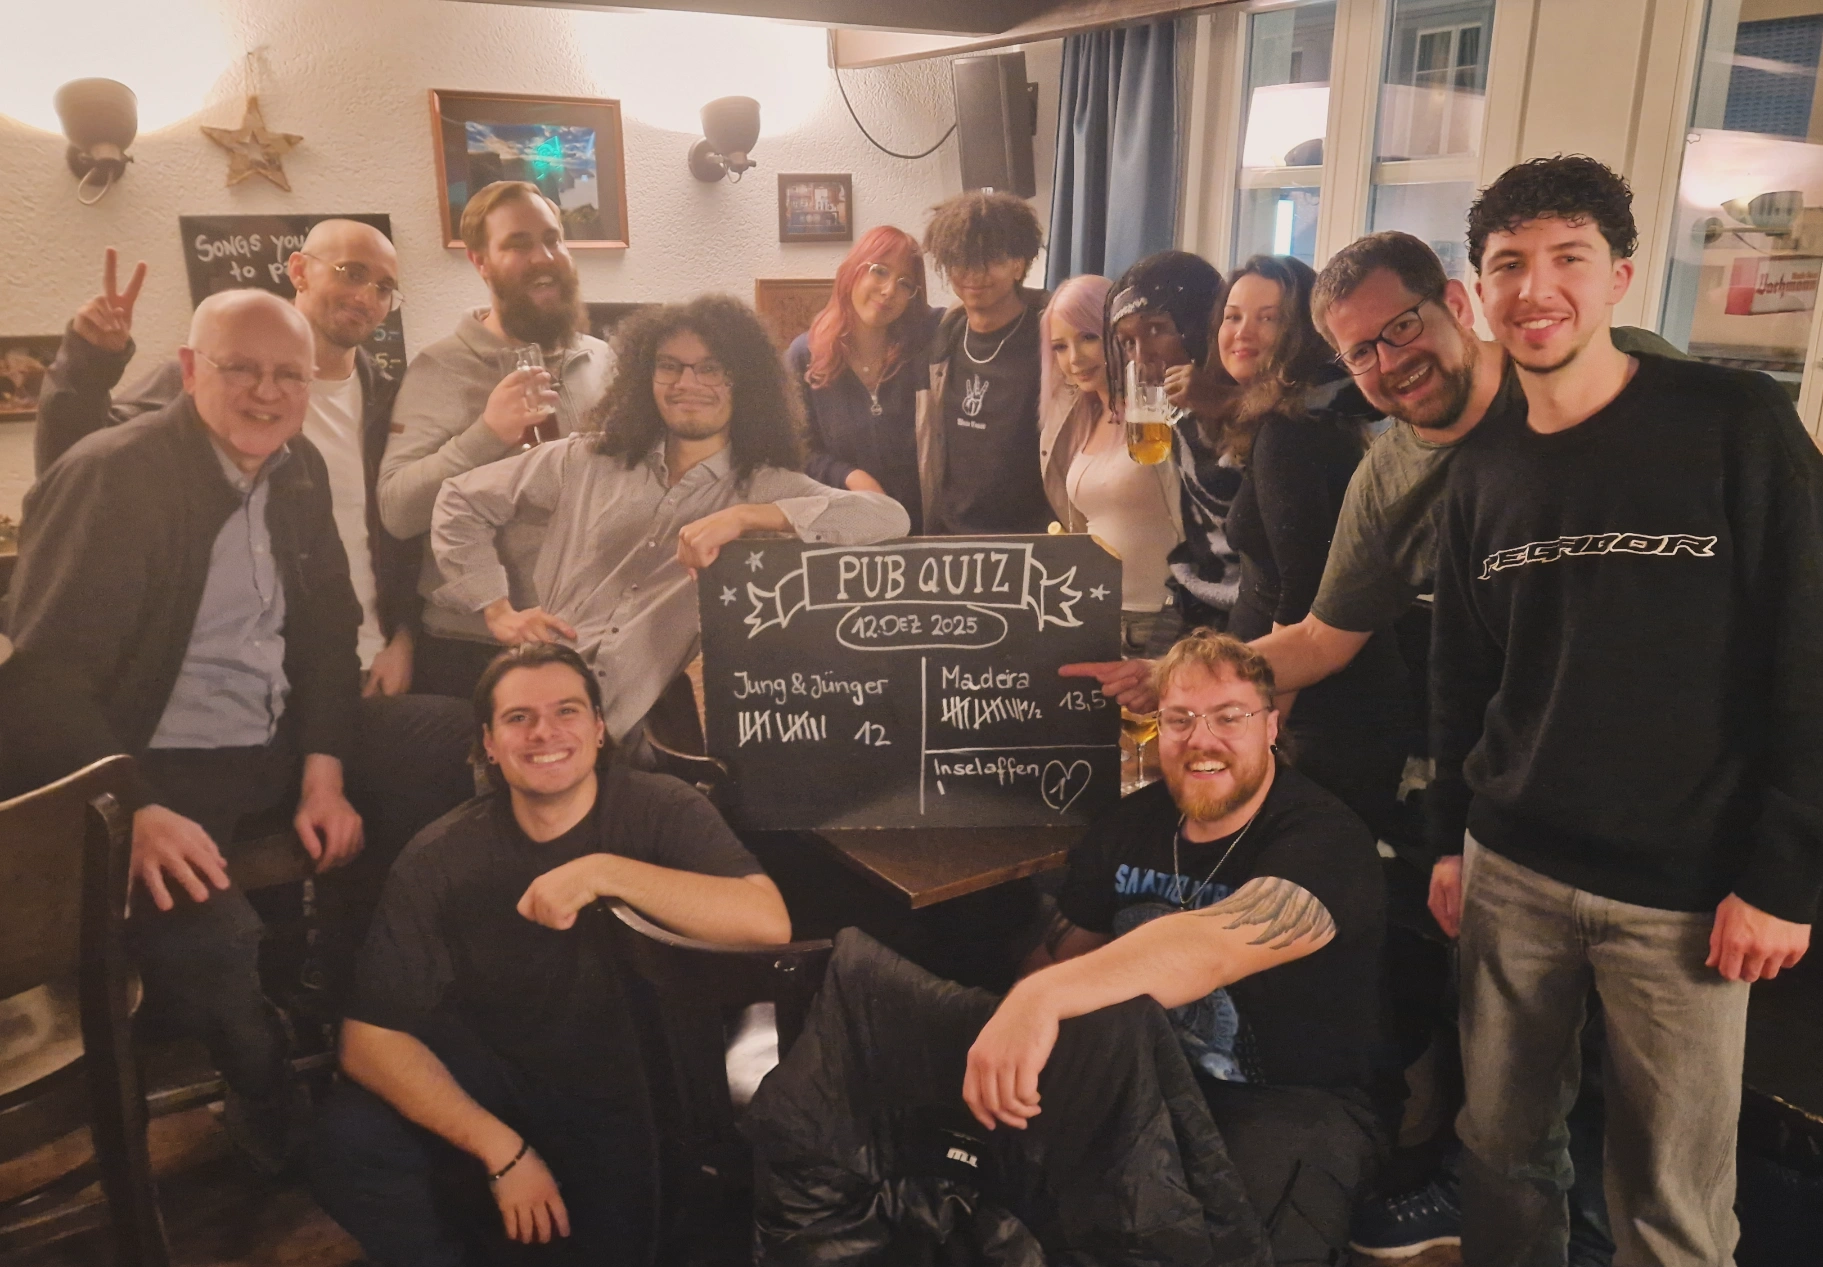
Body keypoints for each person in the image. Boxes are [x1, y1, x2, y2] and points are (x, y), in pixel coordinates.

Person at [1429, 155, 1820, 1267]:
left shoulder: (1736, 423)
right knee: (1500, 1158)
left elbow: (1808, 648)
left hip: (1686, 892)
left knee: (1670, 1205)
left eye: (1568, 257)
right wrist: (1447, 840)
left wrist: (1783, 875)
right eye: (1507, 263)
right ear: (1477, 291)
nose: (1534, 288)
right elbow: (1460, 681)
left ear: (1618, 278)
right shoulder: (1479, 471)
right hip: (1510, 871)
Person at [0, 290, 365, 1170]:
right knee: (215, 937)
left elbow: (328, 634)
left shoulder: (299, 470)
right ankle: (265, 1085)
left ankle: (373, 1022)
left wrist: (325, 775)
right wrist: (134, 805)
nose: (268, 392)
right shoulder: (114, 475)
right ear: (192, 369)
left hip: (266, 742)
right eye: (243, 368)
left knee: (441, 757)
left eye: (289, 374)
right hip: (149, 757)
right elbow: (41, 682)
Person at [310, 642, 790, 1266]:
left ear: (598, 729)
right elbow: (367, 1039)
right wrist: (501, 1150)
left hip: (637, 1084)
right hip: (504, 1073)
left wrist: (604, 871)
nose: (544, 732)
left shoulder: (662, 808)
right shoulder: (441, 856)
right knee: (350, 1137)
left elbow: (766, 922)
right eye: (519, 718)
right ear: (488, 743)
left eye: (566, 711)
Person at [965, 630, 1385, 1266]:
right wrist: (1017, 1014)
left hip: (1293, 1102)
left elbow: (1212, 945)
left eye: (1229, 717)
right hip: (1146, 1086)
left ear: (1271, 726)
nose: (1201, 740)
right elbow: (1063, 955)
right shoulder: (1130, 824)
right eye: (1180, 718)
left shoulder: (1324, 836)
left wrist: (1041, 998)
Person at [429, 295, 910, 746]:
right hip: (531, 714)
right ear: (646, 376)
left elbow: (887, 518)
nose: (687, 383)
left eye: (711, 369)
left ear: (744, 382)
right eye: (669, 366)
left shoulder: (766, 487)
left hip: (626, 737)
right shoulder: (585, 459)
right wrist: (496, 609)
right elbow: (459, 499)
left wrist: (747, 517)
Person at [35, 226, 418, 696]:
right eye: (351, 273)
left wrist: (405, 635)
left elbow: (403, 533)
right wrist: (88, 362)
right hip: (238, 679)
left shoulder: (392, 401)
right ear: (299, 271)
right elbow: (76, 471)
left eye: (384, 287)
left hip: (361, 667)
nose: (367, 297)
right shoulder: (204, 383)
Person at [379, 180, 616, 698]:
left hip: (587, 638)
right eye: (518, 244)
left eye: (552, 239)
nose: (543, 257)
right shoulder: (440, 368)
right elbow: (396, 510)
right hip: (475, 646)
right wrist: (486, 435)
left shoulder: (602, 359)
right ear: (480, 261)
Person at [1218, 254, 1411, 838]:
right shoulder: (1298, 418)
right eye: (1232, 315)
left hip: (1316, 712)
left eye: (1268, 318)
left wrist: (1265, 726)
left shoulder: (1288, 431)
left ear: (1304, 332)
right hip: (1314, 696)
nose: (1242, 332)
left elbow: (1304, 586)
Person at [1037, 272, 1182, 656]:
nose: (1074, 358)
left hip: (1161, 621)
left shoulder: (1158, 413)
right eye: (1060, 346)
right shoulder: (1077, 420)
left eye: (1088, 337)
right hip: (1094, 616)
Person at [1103, 250, 1240, 630]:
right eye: (1127, 343)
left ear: (1202, 322)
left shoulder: (1260, 393)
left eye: (1156, 330)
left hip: (1265, 616)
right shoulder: (1174, 412)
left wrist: (1226, 402)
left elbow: (1326, 390)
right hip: (1197, 599)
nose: (1142, 355)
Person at [915, 191, 1052, 535]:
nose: (974, 274)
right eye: (961, 260)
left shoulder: (1053, 338)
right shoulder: (942, 336)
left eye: (990, 259)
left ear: (1019, 264)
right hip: (951, 536)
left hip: (1035, 539)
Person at [787, 225, 938, 533]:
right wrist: (849, 476)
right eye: (880, 271)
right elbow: (795, 450)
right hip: (840, 531)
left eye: (905, 283)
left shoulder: (925, 346)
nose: (889, 290)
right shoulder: (804, 355)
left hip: (920, 533)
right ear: (852, 271)